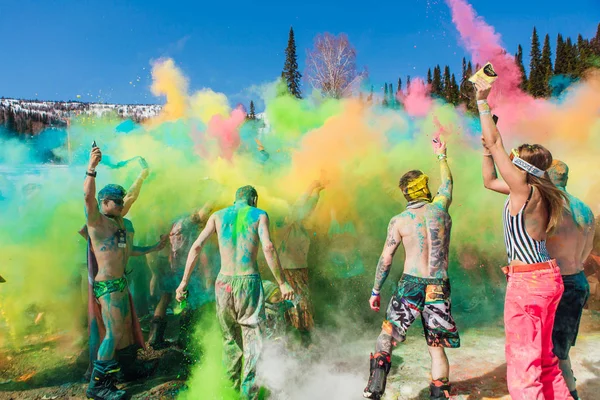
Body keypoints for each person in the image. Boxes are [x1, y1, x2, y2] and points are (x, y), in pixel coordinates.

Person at [477, 78, 572, 400]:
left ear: (520, 167)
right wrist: (486, 152)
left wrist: (481, 101)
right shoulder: (541, 192)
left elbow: (495, 142)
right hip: (547, 279)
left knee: (523, 367)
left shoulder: (523, 191)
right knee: (545, 361)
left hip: (528, 285)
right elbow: (489, 181)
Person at [176, 185, 294, 400]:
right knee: (252, 343)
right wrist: (283, 282)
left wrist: (183, 282)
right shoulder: (258, 214)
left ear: (235, 199)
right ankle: (247, 396)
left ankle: (228, 393)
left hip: (223, 283)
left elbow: (196, 247)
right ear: (254, 199)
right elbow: (268, 247)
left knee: (230, 341)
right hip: (247, 282)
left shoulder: (217, 216)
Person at [363, 139, 459, 400]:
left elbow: (386, 259)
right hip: (438, 284)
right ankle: (440, 394)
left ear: (405, 193)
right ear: (425, 188)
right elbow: (447, 184)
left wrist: (375, 290)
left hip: (411, 284)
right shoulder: (440, 209)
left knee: (388, 334)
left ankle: (376, 382)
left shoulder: (400, 221)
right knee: (436, 348)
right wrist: (441, 156)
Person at [84, 146, 167, 400]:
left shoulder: (120, 223)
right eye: (116, 201)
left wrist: (142, 176)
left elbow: (127, 251)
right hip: (107, 287)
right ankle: (98, 386)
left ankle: (128, 371)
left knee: (127, 329)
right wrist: (91, 167)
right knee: (112, 333)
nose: (122, 204)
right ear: (104, 202)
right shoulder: (97, 222)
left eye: (122, 201)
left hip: (120, 284)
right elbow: (87, 196)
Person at [545, 160, 595, 400]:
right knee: (561, 348)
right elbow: (587, 250)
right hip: (577, 280)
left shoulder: (548, 205)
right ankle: (569, 391)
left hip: (555, 282)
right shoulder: (584, 208)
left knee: (551, 350)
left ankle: (564, 394)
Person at [149, 203, 215, 352]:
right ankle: (185, 339)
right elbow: (200, 215)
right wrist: (215, 196)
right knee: (189, 301)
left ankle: (154, 338)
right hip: (185, 269)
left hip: (171, 266)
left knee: (165, 297)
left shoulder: (174, 223)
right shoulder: (186, 223)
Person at [277, 180, 325, 346]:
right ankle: (297, 341)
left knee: (303, 305)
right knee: (295, 305)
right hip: (289, 271)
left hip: (300, 270)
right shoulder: (289, 224)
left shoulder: (303, 227)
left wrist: (317, 193)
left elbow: (308, 208)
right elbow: (298, 210)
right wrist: (309, 188)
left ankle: (304, 342)